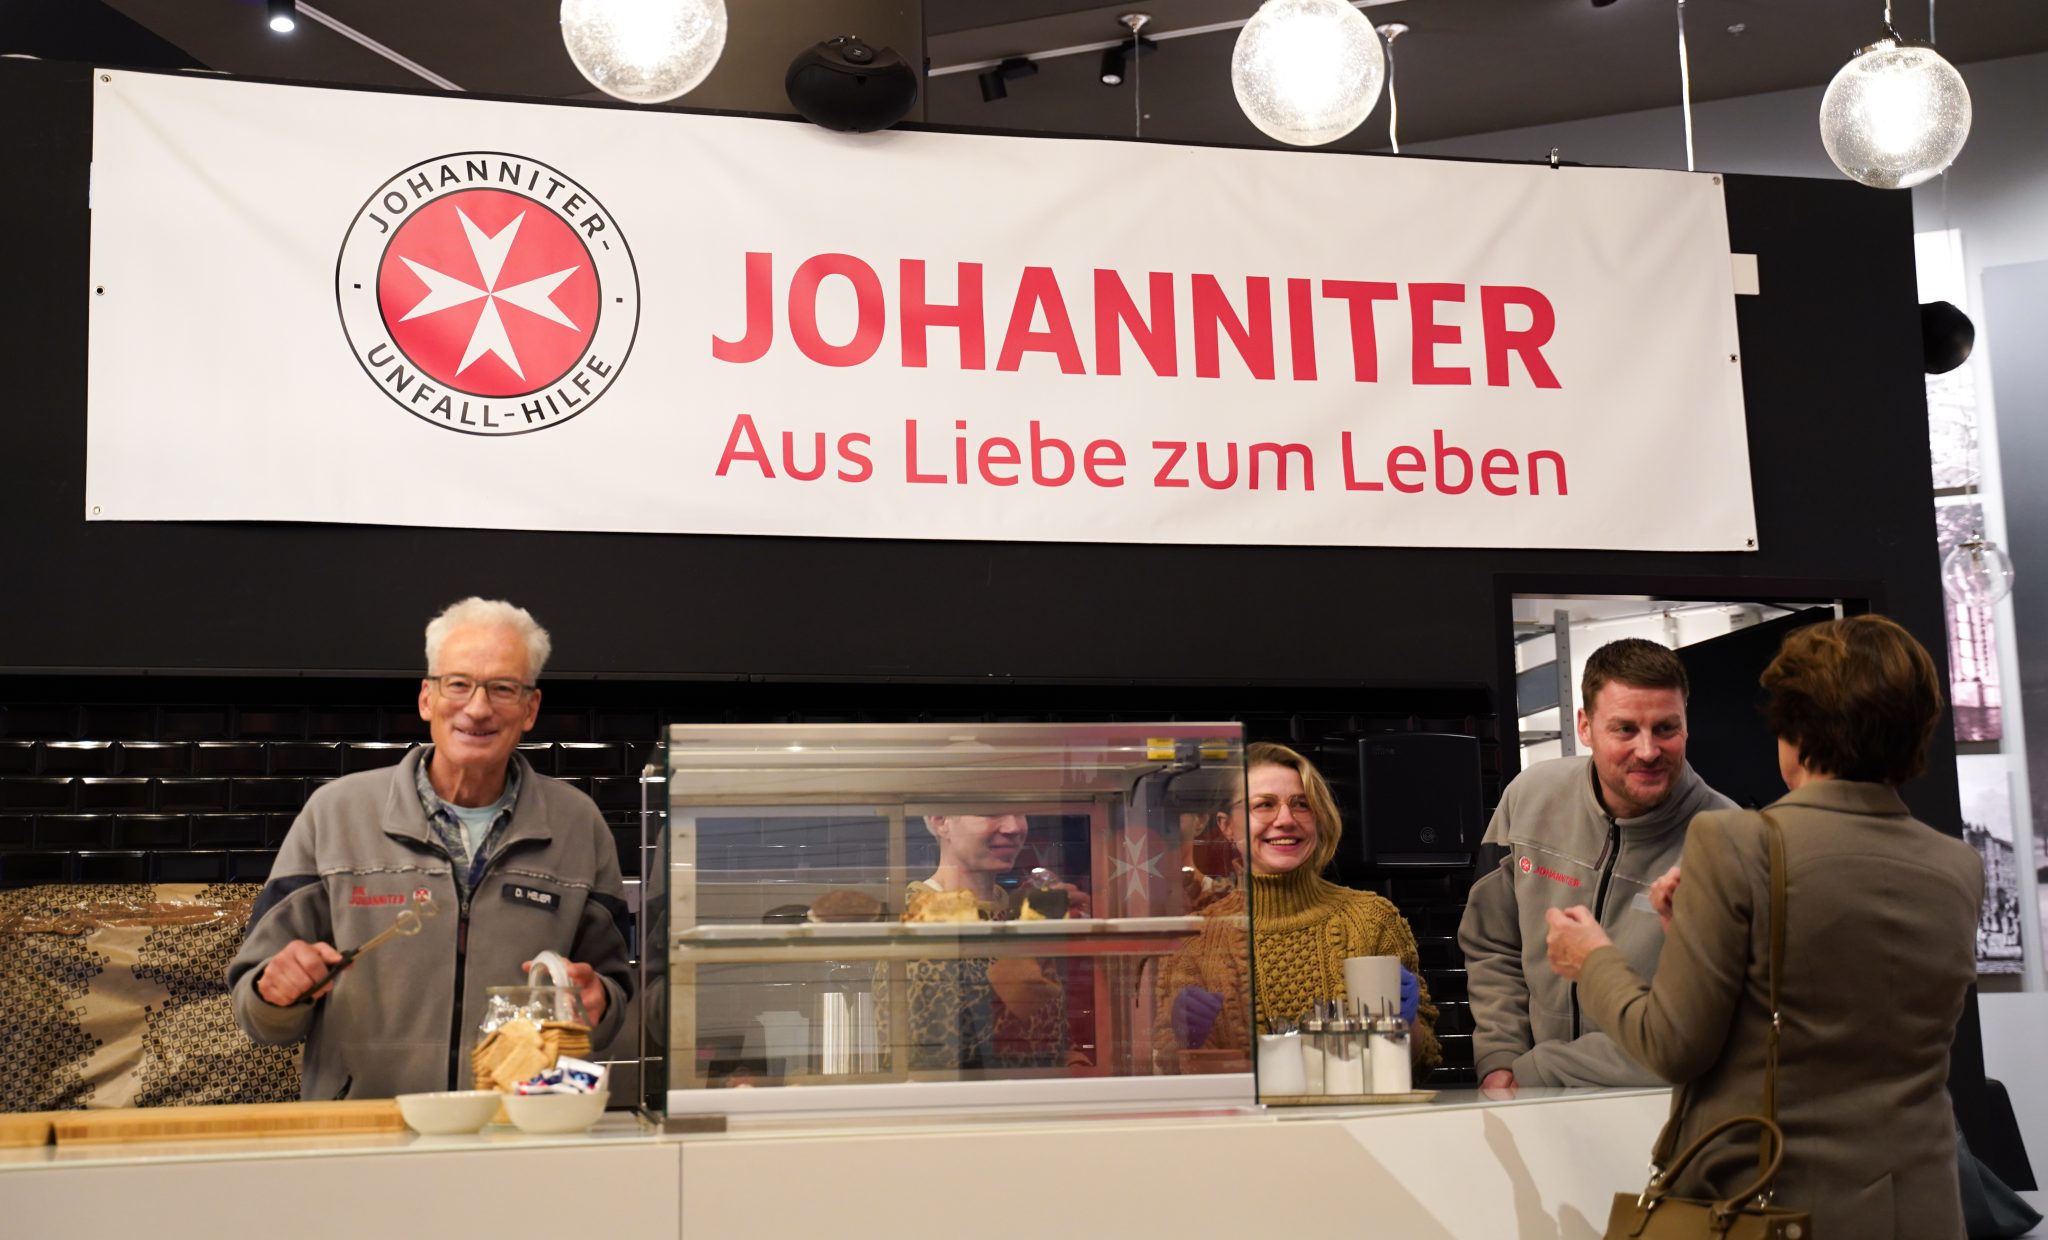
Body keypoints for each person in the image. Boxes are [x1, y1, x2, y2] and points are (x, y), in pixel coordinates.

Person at [1546, 614, 1982, 1237]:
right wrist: (1697, 929)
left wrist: (1592, 958)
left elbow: (1672, 1045)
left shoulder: (1735, 841)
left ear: (1795, 729)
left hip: (1777, 1207)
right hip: (1922, 1209)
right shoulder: (1957, 866)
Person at [228, 597, 633, 1100]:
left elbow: (613, 996)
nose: (478, 708)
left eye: (503, 688)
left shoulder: (578, 825)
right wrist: (275, 991)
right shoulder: (334, 815)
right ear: (427, 698)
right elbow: (255, 1013)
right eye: (458, 684)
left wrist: (598, 1003)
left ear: (530, 709)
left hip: (515, 1128)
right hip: (365, 1128)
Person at [1459, 637, 1733, 1090]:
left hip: (1663, 1110)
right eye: (1625, 729)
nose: (1648, 751)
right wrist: (1500, 1057)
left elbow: (1705, 1029)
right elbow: (1493, 945)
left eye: (1666, 728)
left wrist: (1538, 1071)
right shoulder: (1528, 799)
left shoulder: (1728, 841)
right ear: (1585, 727)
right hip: (1531, 1104)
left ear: (1687, 723)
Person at [1155, 742, 1440, 1073]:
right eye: (1264, 805)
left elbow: (1421, 1064)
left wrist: (1406, 1026)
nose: (1286, 820)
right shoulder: (1194, 938)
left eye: (1301, 805)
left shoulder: (1373, 919)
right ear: (1227, 826)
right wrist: (1184, 1040)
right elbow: (1168, 1069)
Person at [903, 812, 1088, 1071]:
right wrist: (1030, 945)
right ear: (940, 820)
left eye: (1019, 812)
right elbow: (946, 1053)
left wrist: (1077, 1067)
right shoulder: (921, 917)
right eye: (990, 812)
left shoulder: (1009, 910)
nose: (1014, 827)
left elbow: (1049, 1032)